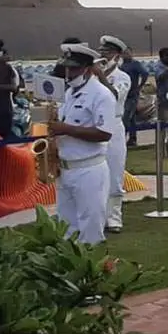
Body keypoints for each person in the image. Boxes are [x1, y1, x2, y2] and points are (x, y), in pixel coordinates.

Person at [47, 42, 116, 245]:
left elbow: (104, 133)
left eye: (74, 68)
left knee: (90, 228)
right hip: (65, 168)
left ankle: (91, 273)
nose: (69, 73)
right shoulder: (69, 93)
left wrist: (66, 129)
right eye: (67, 68)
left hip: (89, 169)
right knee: (66, 226)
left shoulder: (102, 95)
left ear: (87, 68)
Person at [97, 35, 132, 233]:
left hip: (115, 125)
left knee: (115, 173)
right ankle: (100, 215)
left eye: (107, 52)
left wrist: (100, 76)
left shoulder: (122, 77)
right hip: (96, 126)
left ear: (116, 55)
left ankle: (115, 217)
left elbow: (115, 96)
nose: (103, 55)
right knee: (98, 174)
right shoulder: (91, 76)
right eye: (102, 51)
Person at [119, 48, 148, 147]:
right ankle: (133, 139)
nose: (126, 55)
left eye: (127, 53)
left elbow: (145, 73)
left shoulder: (135, 64)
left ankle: (123, 139)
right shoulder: (122, 65)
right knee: (131, 119)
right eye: (124, 53)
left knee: (126, 117)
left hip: (132, 95)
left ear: (131, 53)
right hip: (123, 95)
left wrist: (139, 87)